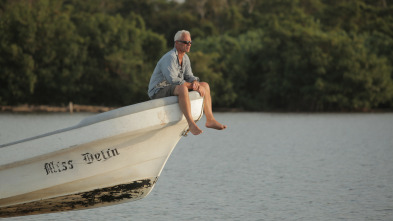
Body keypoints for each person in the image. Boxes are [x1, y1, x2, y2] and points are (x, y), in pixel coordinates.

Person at [148, 30, 226, 135]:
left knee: (205, 85)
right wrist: (194, 86)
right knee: (183, 88)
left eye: (190, 42)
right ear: (176, 43)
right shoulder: (170, 57)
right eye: (185, 42)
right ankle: (191, 123)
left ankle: (210, 120)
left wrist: (195, 82)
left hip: (173, 88)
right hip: (158, 90)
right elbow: (174, 80)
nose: (188, 44)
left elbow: (189, 76)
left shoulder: (185, 57)